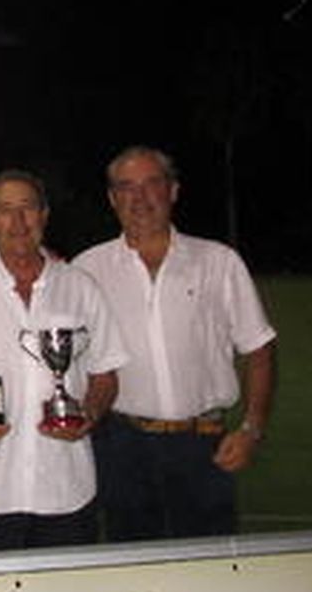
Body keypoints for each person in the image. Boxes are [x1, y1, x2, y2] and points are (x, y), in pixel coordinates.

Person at [73, 146, 276, 540]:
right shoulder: (86, 269)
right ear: (113, 198)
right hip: (121, 446)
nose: (140, 198)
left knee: (208, 573)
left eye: (152, 184)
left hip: (202, 446)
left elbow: (260, 350)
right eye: (127, 187)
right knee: (134, 573)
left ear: (174, 191)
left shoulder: (219, 261)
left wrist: (252, 429)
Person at [0, 169, 127, 552]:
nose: (18, 222)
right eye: (5, 210)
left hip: (66, 487)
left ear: (44, 214)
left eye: (28, 208)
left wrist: (90, 415)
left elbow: (105, 374)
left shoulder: (81, 287)